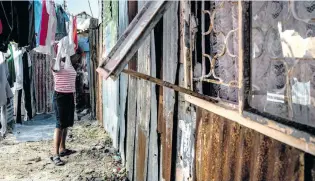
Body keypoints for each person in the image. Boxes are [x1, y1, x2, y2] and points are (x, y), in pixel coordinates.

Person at [50, 48, 81, 166]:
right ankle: (55, 155)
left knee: (66, 124)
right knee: (59, 125)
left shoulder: (70, 65)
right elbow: (54, 66)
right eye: (76, 56)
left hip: (69, 96)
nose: (77, 58)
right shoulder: (57, 63)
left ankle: (62, 149)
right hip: (60, 97)